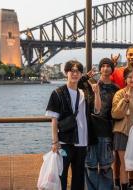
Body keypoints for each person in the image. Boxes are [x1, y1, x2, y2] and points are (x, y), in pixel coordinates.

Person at [45, 60, 91, 190]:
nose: (75, 74)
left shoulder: (83, 94)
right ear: (66, 73)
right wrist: (55, 142)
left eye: (78, 71)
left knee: (79, 176)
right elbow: (54, 119)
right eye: (72, 71)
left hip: (82, 142)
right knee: (62, 175)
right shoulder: (57, 93)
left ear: (81, 74)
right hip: (65, 142)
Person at [85, 58, 119, 190]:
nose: (105, 69)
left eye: (108, 66)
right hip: (91, 129)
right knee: (90, 165)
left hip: (106, 130)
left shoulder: (116, 88)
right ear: (99, 69)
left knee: (105, 166)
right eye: (103, 66)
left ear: (112, 69)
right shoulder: (91, 84)